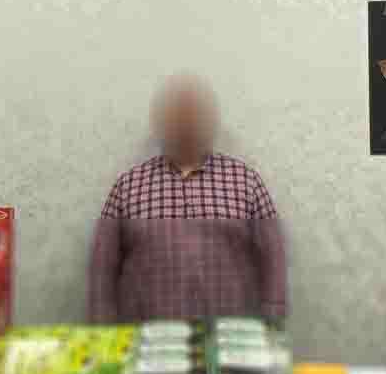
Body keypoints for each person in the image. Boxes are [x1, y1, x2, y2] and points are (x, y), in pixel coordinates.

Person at [88, 74, 287, 323]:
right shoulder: (127, 185)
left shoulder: (246, 181)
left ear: (210, 123)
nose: (186, 125)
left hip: (226, 338)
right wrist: (102, 324)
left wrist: (273, 319)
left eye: (194, 116)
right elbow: (102, 267)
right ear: (161, 125)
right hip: (148, 339)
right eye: (178, 117)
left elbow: (274, 254)